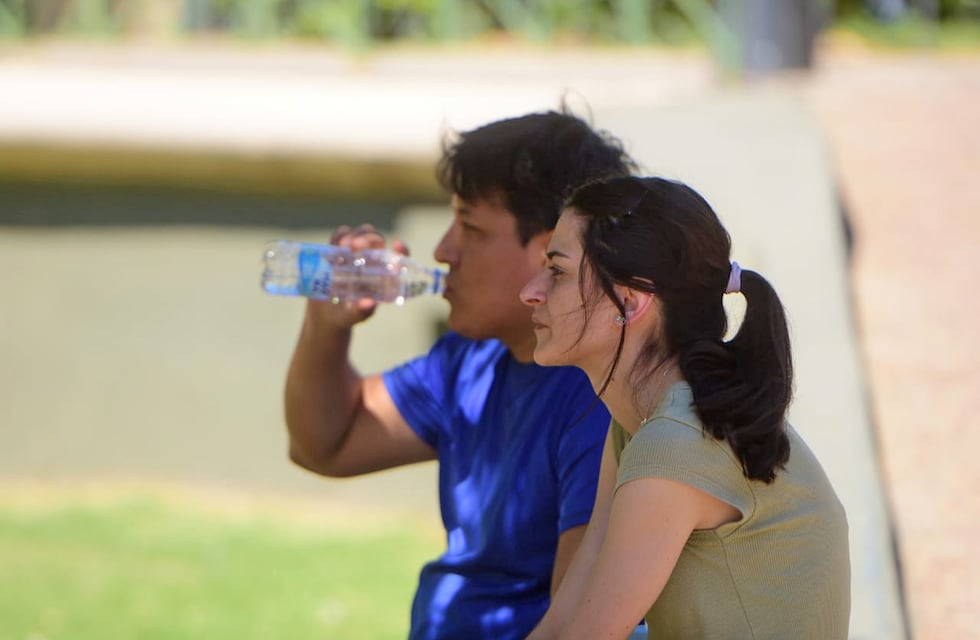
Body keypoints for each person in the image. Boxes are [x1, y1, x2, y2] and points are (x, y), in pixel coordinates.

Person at [283, 109, 636, 639]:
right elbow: (324, 445)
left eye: (469, 228)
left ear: (553, 253)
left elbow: (580, 622)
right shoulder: (470, 360)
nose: (443, 251)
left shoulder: (598, 395)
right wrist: (325, 325)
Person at [520, 176, 851, 639]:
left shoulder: (675, 442)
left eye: (557, 271)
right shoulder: (642, 424)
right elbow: (566, 615)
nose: (530, 291)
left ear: (629, 302)